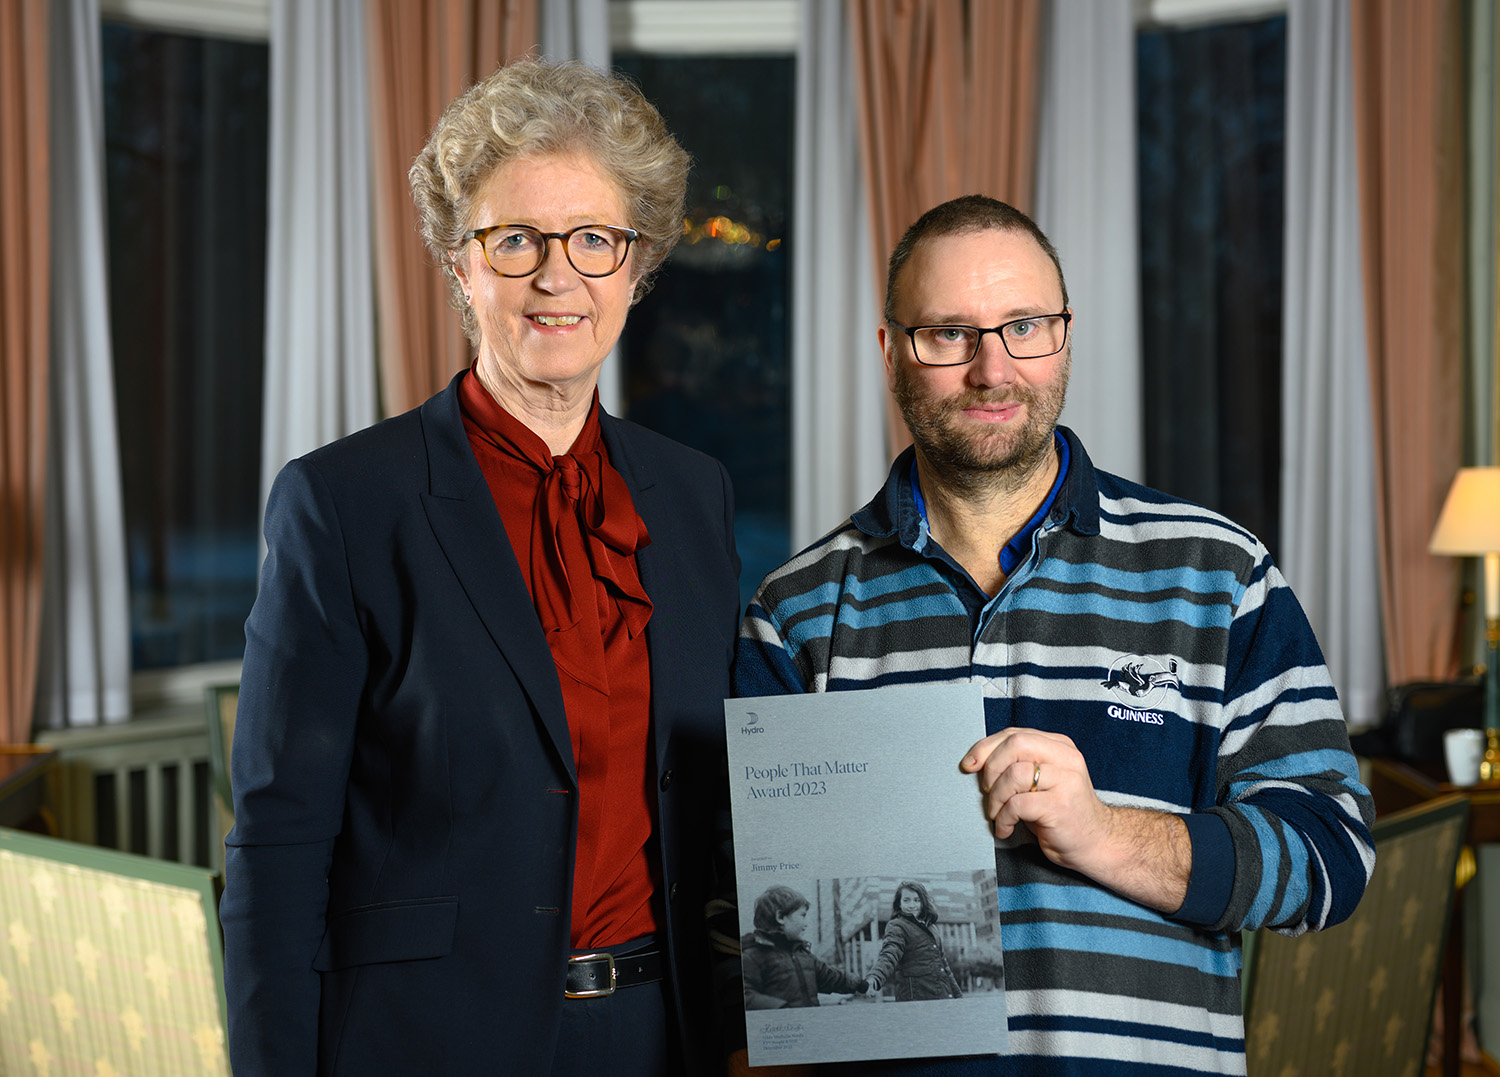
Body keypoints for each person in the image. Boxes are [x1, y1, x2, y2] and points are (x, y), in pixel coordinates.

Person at [733, 194, 1375, 1074]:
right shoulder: (797, 609)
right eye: (948, 334)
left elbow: (1331, 857)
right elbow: (737, 920)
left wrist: (1105, 831)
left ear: (1065, 335)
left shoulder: (1216, 572)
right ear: (891, 351)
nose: (993, 369)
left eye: (1023, 326)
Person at [219, 59, 741, 1076]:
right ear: (461, 266)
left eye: (595, 240)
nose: (558, 277)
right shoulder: (344, 502)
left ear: (638, 269)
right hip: (426, 1042)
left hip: (658, 1037)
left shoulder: (692, 495)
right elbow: (278, 852)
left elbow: (725, 793)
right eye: (517, 242)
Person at [742, 885, 872, 1009]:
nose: (806, 924)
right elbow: (746, 996)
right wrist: (779, 1009)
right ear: (780, 917)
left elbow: (832, 977)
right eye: (802, 915)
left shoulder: (805, 956)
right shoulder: (753, 955)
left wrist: (860, 984)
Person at [864, 881, 963, 1002]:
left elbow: (945, 967)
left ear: (923, 902)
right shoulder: (897, 925)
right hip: (915, 999)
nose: (912, 905)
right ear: (899, 904)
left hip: (942, 996)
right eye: (906, 900)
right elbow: (889, 954)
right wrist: (875, 977)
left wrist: (958, 996)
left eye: (917, 900)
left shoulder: (932, 928)